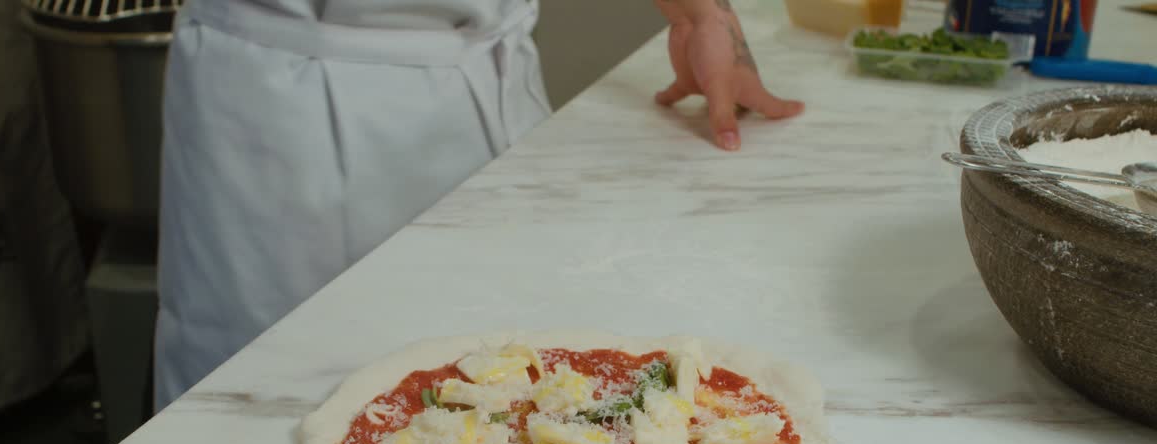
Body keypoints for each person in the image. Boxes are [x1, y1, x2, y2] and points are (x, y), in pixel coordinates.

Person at [154, 0, 802, 409]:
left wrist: (701, 15)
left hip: (492, 71)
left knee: (516, 387)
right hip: (295, 100)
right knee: (273, 401)